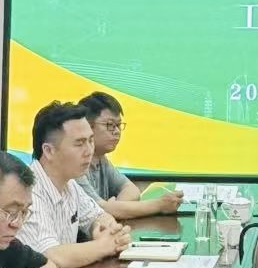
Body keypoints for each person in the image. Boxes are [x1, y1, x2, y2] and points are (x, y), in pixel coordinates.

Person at [18, 100, 132, 268]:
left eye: (91, 141)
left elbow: (98, 216)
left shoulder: (70, 183)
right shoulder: (28, 192)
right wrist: (103, 246)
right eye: (79, 143)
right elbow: (50, 258)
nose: (89, 151)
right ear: (49, 151)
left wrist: (105, 230)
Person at [78, 90, 184, 220]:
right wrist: (159, 205)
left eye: (118, 125)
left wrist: (116, 208)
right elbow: (98, 210)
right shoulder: (75, 165)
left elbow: (131, 189)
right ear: (88, 127)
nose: (117, 131)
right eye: (110, 125)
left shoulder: (101, 159)